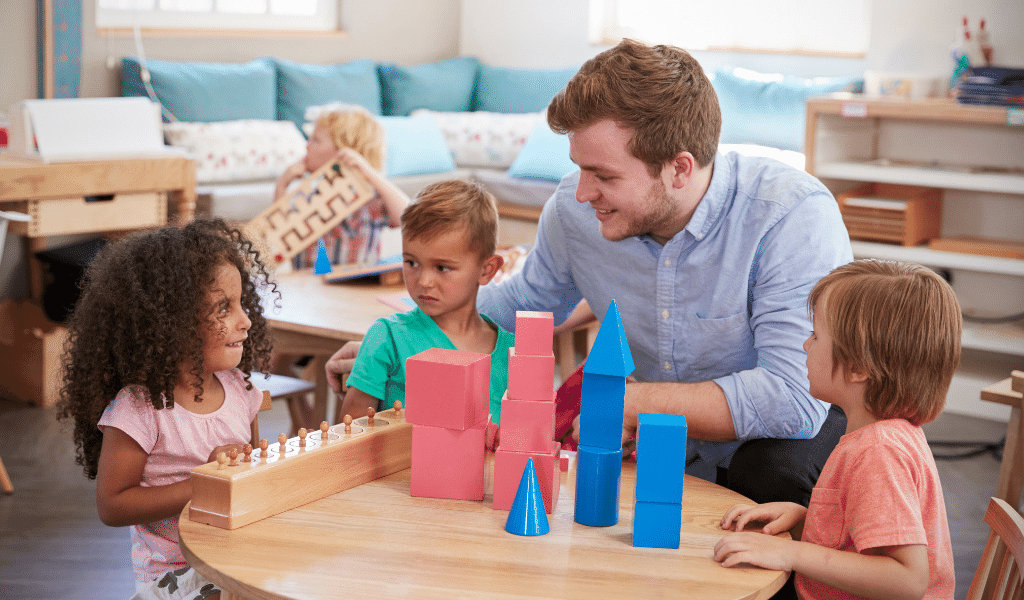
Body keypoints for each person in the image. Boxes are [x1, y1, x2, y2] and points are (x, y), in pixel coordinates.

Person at [474, 38, 854, 505]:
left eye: (605, 176)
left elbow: (792, 399)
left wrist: (636, 405)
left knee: (772, 472)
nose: (581, 193)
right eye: (580, 170)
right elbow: (519, 307)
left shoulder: (790, 215)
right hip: (660, 433)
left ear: (679, 169)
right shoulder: (575, 216)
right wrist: (395, 339)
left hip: (800, 427)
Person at [56, 218, 278, 600]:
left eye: (242, 302)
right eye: (224, 308)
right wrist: (203, 481)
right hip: (173, 574)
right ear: (173, 324)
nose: (246, 321)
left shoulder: (241, 389)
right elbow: (112, 506)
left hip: (232, 553)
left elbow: (249, 474)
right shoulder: (138, 410)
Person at [715, 260, 959, 600]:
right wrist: (804, 520)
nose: (805, 346)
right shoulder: (884, 435)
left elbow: (906, 579)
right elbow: (865, 544)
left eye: (815, 335)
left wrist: (790, 553)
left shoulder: (879, 452)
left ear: (858, 366)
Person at [339, 180, 515, 428]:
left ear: (487, 270)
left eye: (442, 267)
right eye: (412, 262)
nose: (423, 281)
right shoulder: (386, 337)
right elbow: (351, 435)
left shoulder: (514, 353)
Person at [275, 106, 410, 269]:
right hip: (308, 286)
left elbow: (407, 218)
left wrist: (369, 172)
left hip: (355, 286)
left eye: (315, 140)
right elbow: (279, 233)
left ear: (344, 150)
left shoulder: (369, 197)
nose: (307, 146)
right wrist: (282, 185)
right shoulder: (308, 194)